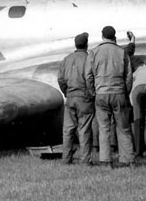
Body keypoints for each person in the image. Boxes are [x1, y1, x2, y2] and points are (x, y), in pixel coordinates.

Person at [85, 25, 136, 167]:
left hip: (101, 94)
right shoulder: (122, 52)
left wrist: (93, 92)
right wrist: (125, 92)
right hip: (118, 93)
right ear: (115, 37)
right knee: (123, 128)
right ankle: (128, 160)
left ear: (102, 37)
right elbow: (129, 75)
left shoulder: (94, 52)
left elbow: (88, 75)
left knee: (104, 128)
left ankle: (106, 161)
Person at [57, 32, 95, 165]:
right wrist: (92, 93)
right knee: (84, 129)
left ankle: (66, 159)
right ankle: (85, 161)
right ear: (86, 44)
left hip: (70, 97)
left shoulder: (66, 59)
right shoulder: (89, 58)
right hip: (84, 97)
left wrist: (66, 92)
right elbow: (91, 78)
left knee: (68, 130)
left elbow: (60, 79)